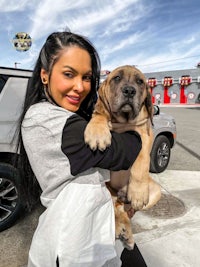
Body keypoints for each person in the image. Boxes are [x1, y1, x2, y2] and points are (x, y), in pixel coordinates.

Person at [16, 30, 147, 267]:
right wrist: (141, 128)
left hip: (107, 227)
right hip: (75, 242)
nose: (80, 87)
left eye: (87, 77)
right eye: (69, 74)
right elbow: (123, 152)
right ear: (45, 75)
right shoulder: (43, 118)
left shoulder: (73, 115)